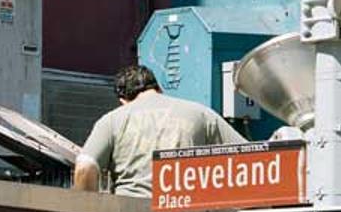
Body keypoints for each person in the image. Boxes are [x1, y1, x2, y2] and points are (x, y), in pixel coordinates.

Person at [68, 64, 244, 198]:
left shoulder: (111, 120)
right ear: (158, 88)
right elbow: (250, 157)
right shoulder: (200, 114)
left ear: (123, 100)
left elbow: (85, 166)